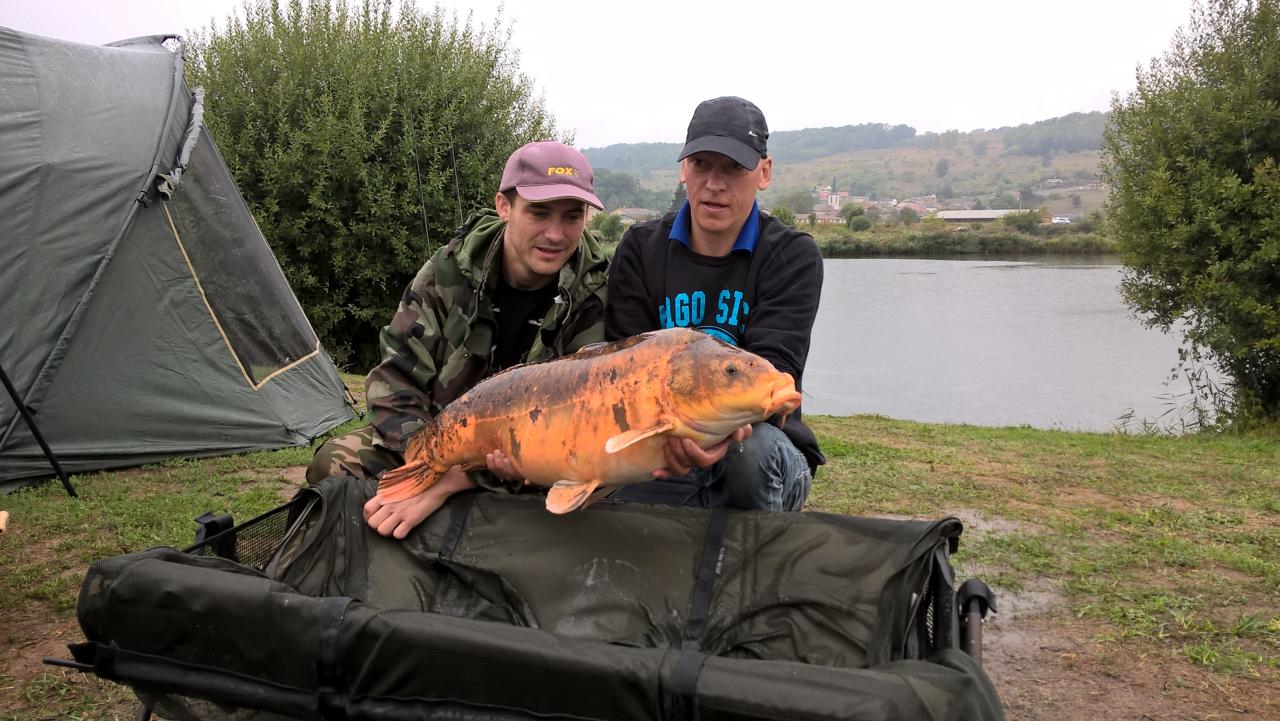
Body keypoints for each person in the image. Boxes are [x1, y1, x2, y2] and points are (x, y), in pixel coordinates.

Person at [307, 140, 610, 538]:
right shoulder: (449, 271)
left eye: (572, 216)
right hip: (434, 432)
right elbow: (396, 374)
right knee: (334, 463)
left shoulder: (596, 293)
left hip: (536, 457)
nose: (555, 234)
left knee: (595, 492)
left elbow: (590, 429)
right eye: (538, 212)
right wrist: (428, 464)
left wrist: (471, 478)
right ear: (504, 206)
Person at [604, 96, 825, 511]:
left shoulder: (791, 255)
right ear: (683, 170)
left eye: (733, 167)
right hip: (666, 438)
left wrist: (708, 434)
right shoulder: (639, 248)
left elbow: (772, 378)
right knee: (610, 467)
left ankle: (757, 559)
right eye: (702, 165)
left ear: (764, 172)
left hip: (764, 446)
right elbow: (625, 371)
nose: (714, 184)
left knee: (750, 454)